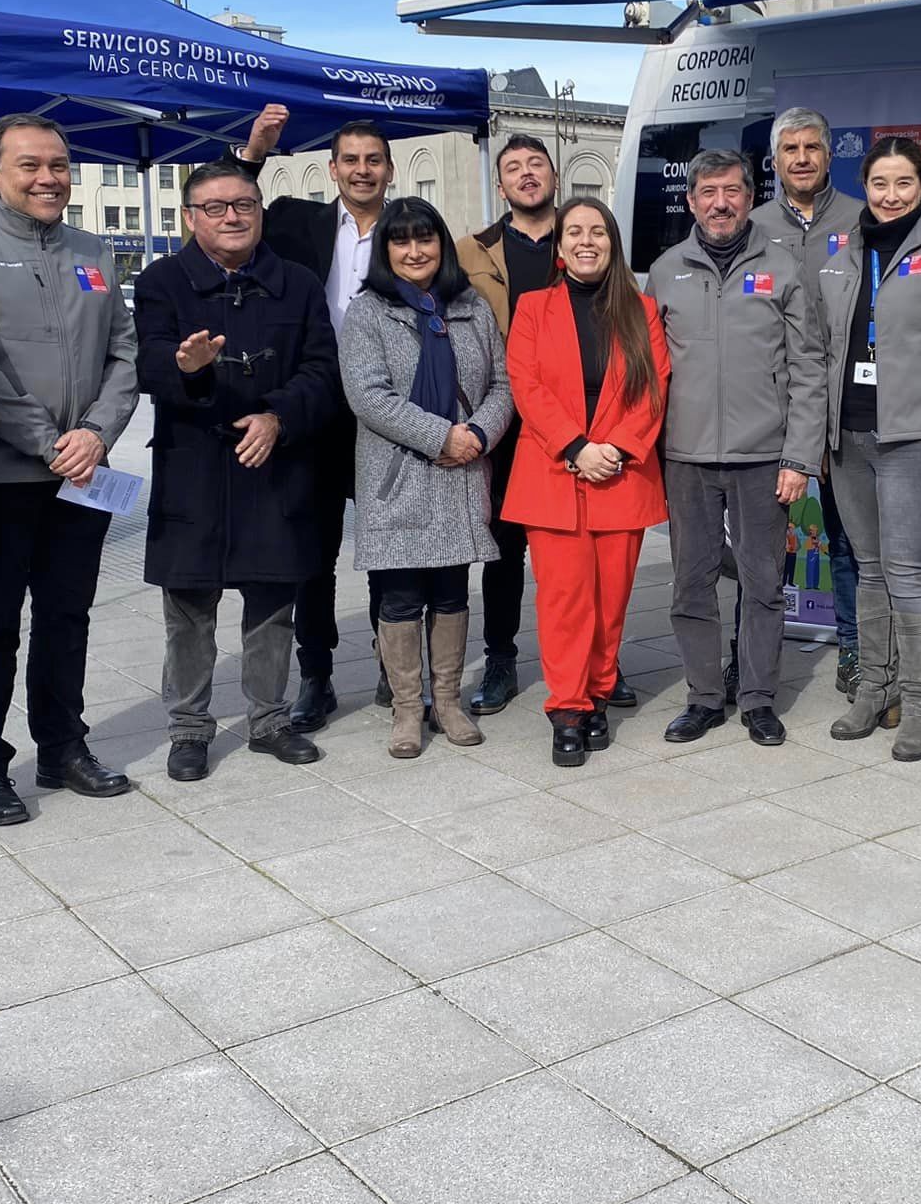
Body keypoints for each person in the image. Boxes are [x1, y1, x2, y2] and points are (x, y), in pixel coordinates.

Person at [0, 114, 140, 822]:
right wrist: (50, 442)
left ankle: (63, 747)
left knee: (67, 616)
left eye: (58, 164)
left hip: (83, 475)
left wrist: (96, 433)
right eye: (30, 165)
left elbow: (124, 354)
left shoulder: (94, 249)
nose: (48, 178)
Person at [133, 160, 341, 780]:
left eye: (244, 205)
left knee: (273, 603)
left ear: (260, 211)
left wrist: (278, 416)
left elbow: (323, 369)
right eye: (215, 207)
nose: (232, 217)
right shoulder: (161, 280)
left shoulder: (298, 282)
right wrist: (188, 368)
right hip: (194, 466)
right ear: (190, 217)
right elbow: (147, 363)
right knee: (188, 609)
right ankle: (189, 729)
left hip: (274, 464)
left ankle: (269, 719)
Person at [808, 136, 921, 761]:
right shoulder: (843, 254)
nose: (890, 196)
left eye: (903, 183)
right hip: (849, 437)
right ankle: (874, 689)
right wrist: (819, 436)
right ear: (865, 186)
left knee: (909, 574)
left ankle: (919, 705)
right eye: (879, 183)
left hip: (916, 439)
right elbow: (821, 350)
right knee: (868, 568)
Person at [646, 149, 825, 747]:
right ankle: (703, 697)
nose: (720, 204)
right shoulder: (666, 270)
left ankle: (757, 698)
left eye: (731, 192)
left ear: (750, 198)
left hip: (763, 457)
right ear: (691, 200)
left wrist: (798, 458)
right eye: (708, 192)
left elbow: (808, 368)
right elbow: (647, 372)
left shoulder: (783, 267)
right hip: (687, 457)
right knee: (691, 584)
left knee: (763, 582)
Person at [457, 136, 637, 718]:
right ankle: (502, 658)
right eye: (513, 167)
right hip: (510, 422)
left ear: (555, 176)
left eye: (536, 164)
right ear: (501, 184)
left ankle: (600, 667)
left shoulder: (585, 237)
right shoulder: (473, 250)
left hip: (587, 433)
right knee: (505, 552)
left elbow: (643, 368)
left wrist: (598, 445)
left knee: (597, 567)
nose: (526, 174)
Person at [231, 103, 391, 729]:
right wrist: (253, 153)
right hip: (317, 408)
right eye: (350, 160)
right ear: (332, 169)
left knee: (388, 548)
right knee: (313, 553)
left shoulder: (411, 228)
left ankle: (393, 665)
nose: (361, 170)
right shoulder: (296, 222)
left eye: (372, 160)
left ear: (389, 169)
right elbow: (229, 209)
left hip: (387, 411)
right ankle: (316, 675)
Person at [341, 197, 514, 758]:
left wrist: (477, 435)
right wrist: (442, 436)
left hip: (460, 475)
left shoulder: (471, 307)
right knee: (399, 598)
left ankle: (448, 701)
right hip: (399, 476)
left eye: (425, 238)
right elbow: (368, 395)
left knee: (451, 593)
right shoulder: (369, 312)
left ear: (442, 244)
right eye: (401, 241)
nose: (415, 251)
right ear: (386, 251)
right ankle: (407, 709)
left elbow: (503, 384)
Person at [503, 196, 670, 765]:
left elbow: (655, 385)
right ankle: (568, 709)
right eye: (573, 231)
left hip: (620, 473)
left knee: (611, 600)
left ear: (612, 244)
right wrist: (575, 446)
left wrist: (615, 448)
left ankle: (598, 693)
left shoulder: (642, 311)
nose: (585, 241)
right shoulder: (533, 308)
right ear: (559, 246)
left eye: (597, 231)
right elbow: (525, 383)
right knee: (565, 601)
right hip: (554, 472)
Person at [754, 108, 866, 692]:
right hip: (772, 408)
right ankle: (751, 659)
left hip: (847, 404)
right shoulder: (752, 225)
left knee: (848, 540)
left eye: (812, 147)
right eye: (790, 149)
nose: (801, 158)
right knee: (761, 547)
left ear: (829, 155)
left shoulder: (862, 218)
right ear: (775, 160)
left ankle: (855, 651)